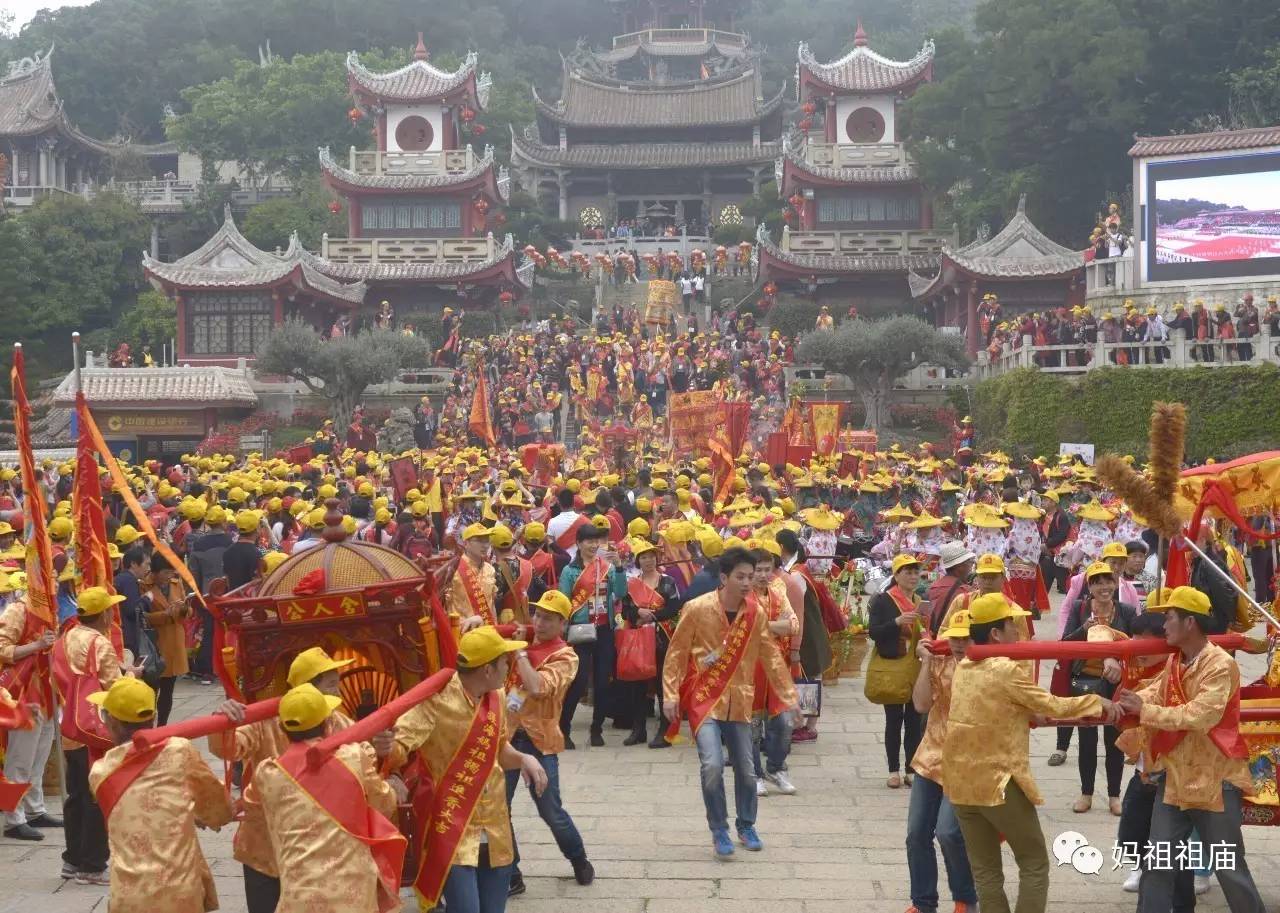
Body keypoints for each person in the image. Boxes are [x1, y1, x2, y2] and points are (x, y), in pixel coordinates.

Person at [943, 592, 1117, 913]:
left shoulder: (965, 666)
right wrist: (1097, 701)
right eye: (1013, 624)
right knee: (1034, 862)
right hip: (998, 783)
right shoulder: (1004, 670)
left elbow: (1006, 707)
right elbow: (1051, 705)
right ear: (996, 633)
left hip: (961, 785)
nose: (1019, 631)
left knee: (986, 872)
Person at [1115, 586, 1267, 913]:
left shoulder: (1220, 665)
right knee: (1158, 864)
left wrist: (1144, 710)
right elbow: (1151, 695)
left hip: (1216, 781)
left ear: (1190, 624)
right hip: (1174, 781)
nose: (1164, 625)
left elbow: (1200, 715)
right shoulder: (1175, 662)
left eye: (1169, 617)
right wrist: (1121, 703)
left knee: (1230, 869)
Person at [386, 626, 549, 913]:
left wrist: (524, 759)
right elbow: (400, 745)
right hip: (453, 827)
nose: (508, 667)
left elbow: (499, 749)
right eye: (503, 662)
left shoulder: (496, 697)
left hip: (495, 826)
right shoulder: (435, 702)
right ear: (487, 670)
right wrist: (388, 757)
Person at [662, 547, 799, 856]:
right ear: (724, 578)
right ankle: (719, 829)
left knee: (747, 768)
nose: (748, 582)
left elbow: (770, 656)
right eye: (741, 577)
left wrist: (789, 697)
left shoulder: (756, 613)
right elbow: (676, 653)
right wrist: (670, 694)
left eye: (751, 577)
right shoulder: (697, 609)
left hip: (740, 699)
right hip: (704, 699)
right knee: (711, 765)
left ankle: (746, 824)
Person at [212, 647, 357, 913]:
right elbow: (228, 749)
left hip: (318, 852)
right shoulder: (265, 722)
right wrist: (223, 722)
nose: (339, 692)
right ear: (307, 691)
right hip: (265, 848)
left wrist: (387, 752)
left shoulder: (341, 724)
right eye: (332, 686)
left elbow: (367, 765)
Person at [244, 684, 403, 913]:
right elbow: (385, 805)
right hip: (354, 894)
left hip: (299, 896)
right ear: (328, 724)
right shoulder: (354, 758)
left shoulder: (269, 774)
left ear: (282, 728)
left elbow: (251, 807)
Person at [87, 677, 233, 913]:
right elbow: (219, 809)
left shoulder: (100, 772)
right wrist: (205, 815)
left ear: (110, 721)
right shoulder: (179, 751)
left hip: (129, 897)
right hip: (181, 894)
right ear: (154, 719)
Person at [504, 590, 594, 895]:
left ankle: (578, 857)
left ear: (562, 624)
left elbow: (537, 686)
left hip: (539, 740)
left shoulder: (566, 656)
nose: (539, 622)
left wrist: (518, 653)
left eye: (548, 618)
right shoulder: (524, 640)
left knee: (550, 811)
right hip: (507, 736)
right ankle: (511, 873)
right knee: (499, 809)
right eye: (537, 615)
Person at [51, 585, 139, 885]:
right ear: (102, 615)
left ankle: (72, 859)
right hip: (96, 730)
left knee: (76, 795)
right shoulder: (99, 643)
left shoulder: (63, 639)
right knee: (96, 795)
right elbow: (115, 687)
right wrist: (132, 676)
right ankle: (91, 864)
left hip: (71, 727)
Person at [906, 609, 978, 913]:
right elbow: (921, 704)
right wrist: (925, 662)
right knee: (916, 833)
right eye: (954, 639)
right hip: (931, 755)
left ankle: (965, 898)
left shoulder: (988, 668)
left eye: (965, 639)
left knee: (948, 832)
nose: (959, 645)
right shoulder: (940, 662)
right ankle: (923, 903)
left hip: (967, 761)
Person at [1061, 561, 1137, 815]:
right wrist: (1084, 629)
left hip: (1116, 683)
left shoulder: (1126, 611)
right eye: (1098, 582)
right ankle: (1086, 793)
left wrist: (1116, 656)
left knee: (1114, 738)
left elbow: (1137, 648)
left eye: (1108, 581)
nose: (1104, 587)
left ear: (1115, 583)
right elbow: (1064, 644)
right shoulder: (1079, 608)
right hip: (1086, 681)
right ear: (1089, 587)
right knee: (1087, 739)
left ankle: (1115, 795)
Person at [0, 577, 59, 842]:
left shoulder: (51, 612)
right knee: (19, 761)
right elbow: (2, 648)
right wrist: (36, 646)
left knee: (39, 758)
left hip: (46, 691)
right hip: (22, 693)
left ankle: (35, 810)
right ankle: (14, 818)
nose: (57, 584)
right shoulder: (18, 610)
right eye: (52, 580)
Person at [558, 522, 626, 748]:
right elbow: (564, 602)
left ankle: (596, 729)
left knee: (603, 682)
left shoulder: (606, 567)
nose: (593, 545)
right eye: (588, 541)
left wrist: (619, 568)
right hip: (580, 631)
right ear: (578, 543)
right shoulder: (570, 571)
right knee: (577, 682)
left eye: (596, 541)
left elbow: (622, 593)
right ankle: (564, 729)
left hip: (604, 630)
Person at [868, 554, 926, 789]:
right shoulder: (883, 600)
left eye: (916, 572)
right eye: (907, 572)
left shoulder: (920, 600)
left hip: (915, 665)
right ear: (896, 575)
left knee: (914, 720)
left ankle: (911, 769)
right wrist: (897, 622)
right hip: (892, 666)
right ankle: (893, 769)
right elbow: (873, 631)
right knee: (894, 719)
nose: (913, 577)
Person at [620, 538, 681, 747]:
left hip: (662, 639)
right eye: (644, 557)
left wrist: (653, 615)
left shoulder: (667, 582)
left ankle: (665, 731)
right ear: (638, 561)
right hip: (639, 641)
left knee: (663, 685)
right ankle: (639, 730)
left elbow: (675, 608)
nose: (648, 561)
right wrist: (637, 611)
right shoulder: (632, 584)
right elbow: (625, 610)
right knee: (637, 685)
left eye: (651, 556)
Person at [142, 551, 190, 725]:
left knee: (168, 690)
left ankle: (163, 725)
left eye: (171, 572)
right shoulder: (144, 586)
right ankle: (147, 724)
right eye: (165, 572)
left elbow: (187, 609)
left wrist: (183, 610)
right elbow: (143, 615)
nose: (169, 576)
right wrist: (164, 615)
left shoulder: (176, 584)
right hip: (155, 643)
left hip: (174, 642)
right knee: (151, 689)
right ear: (155, 572)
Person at [186, 504, 232, 683]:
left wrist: (195, 594)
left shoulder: (198, 544)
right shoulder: (230, 542)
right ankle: (226, 668)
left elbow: (193, 572)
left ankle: (206, 671)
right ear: (223, 522)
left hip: (206, 594)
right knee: (227, 630)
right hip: (227, 593)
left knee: (208, 631)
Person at [448, 523, 498, 629]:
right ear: (466, 543)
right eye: (479, 540)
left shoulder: (490, 569)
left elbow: (492, 604)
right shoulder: (454, 570)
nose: (485, 545)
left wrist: (497, 629)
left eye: (487, 540)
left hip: (487, 632)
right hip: (463, 632)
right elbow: (446, 606)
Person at [113, 547, 147, 657]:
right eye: (146, 564)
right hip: (127, 637)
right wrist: (146, 599)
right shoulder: (128, 580)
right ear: (133, 564)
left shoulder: (121, 578)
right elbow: (132, 610)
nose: (148, 568)